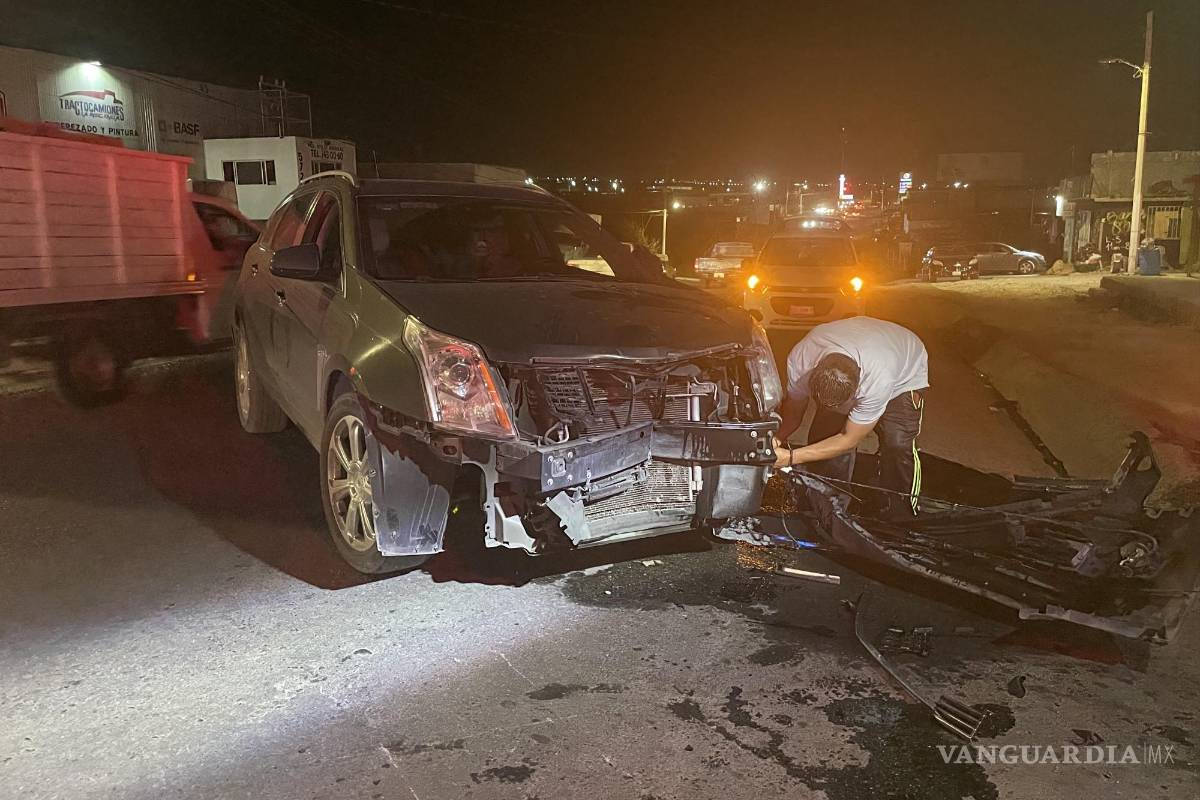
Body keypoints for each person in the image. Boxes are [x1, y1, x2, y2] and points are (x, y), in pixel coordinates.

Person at [773, 317, 929, 516]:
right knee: (826, 437)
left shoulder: (878, 379)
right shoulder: (802, 359)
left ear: (857, 388)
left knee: (897, 443)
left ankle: (900, 510)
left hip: (905, 370)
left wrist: (791, 457)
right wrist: (776, 439)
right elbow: (794, 411)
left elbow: (849, 439)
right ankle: (830, 505)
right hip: (866, 345)